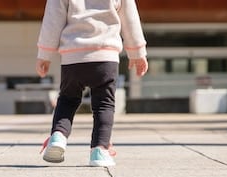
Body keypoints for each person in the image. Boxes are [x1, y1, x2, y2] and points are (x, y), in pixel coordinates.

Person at [36, 0, 148, 167]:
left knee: (67, 99)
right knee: (104, 105)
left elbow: (52, 20)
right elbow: (130, 18)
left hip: (72, 57)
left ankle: (58, 136)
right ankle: (100, 150)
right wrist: (137, 52)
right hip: (105, 55)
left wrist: (44, 54)